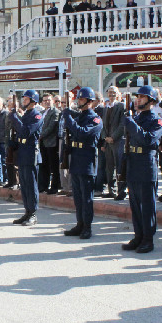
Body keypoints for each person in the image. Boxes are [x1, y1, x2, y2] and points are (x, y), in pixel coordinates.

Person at [121, 85, 162, 253]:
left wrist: (131, 122)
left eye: (142, 97)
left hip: (146, 164)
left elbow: (147, 139)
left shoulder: (156, 120)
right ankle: (138, 235)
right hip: (133, 162)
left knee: (147, 205)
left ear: (151, 100)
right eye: (138, 96)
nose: (138, 99)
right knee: (135, 204)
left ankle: (148, 239)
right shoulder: (137, 118)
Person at [61, 87, 103, 239]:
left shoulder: (95, 119)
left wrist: (68, 118)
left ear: (90, 102)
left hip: (87, 161)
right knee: (77, 197)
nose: (79, 101)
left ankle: (87, 227)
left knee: (86, 197)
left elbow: (81, 132)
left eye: (82, 99)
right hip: (77, 159)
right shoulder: (80, 116)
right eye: (78, 99)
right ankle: (79, 224)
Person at [10, 89, 43, 226]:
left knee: (31, 185)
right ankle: (27, 211)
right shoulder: (26, 114)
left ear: (33, 101)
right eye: (23, 99)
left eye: (26, 99)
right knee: (24, 185)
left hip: (30, 153)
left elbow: (25, 131)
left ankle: (33, 214)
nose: (24, 101)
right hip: (23, 152)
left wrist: (14, 117)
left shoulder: (37, 116)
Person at [102, 86, 126, 200]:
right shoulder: (106, 107)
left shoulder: (121, 106)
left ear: (118, 94)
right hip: (108, 142)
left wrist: (113, 137)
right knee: (109, 167)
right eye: (110, 92)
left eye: (114, 93)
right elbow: (103, 124)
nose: (111, 95)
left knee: (120, 166)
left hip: (118, 141)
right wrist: (105, 137)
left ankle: (122, 191)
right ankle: (112, 190)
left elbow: (122, 124)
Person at [38, 93, 61, 194]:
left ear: (52, 101)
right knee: (44, 165)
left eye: (48, 100)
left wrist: (40, 135)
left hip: (51, 143)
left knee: (53, 166)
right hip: (43, 143)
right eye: (44, 100)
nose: (46, 102)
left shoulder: (55, 112)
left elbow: (51, 127)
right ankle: (43, 185)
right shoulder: (42, 112)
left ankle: (54, 186)